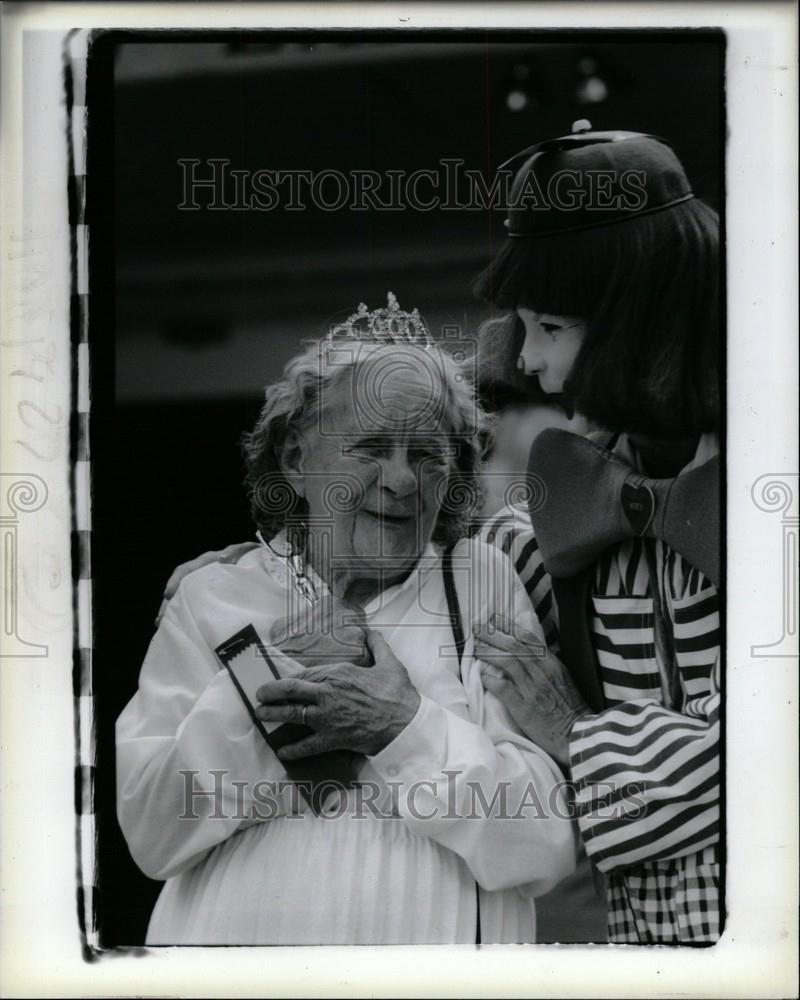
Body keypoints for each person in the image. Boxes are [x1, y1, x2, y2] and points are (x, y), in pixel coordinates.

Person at [116, 295, 576, 945]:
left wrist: (401, 727)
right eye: (370, 447)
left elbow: (544, 841)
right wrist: (264, 690)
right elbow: (152, 834)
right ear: (297, 462)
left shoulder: (479, 582)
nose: (402, 480)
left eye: (427, 455)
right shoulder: (211, 595)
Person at [469, 121, 722, 944]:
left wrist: (575, 733)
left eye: (551, 327)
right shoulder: (538, 532)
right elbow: (429, 629)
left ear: (638, 320)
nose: (528, 364)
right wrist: (269, 571)